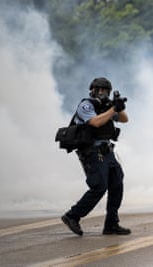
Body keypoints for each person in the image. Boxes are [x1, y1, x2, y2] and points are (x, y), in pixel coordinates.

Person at [61, 77, 131, 236]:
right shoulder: (86, 105)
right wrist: (113, 109)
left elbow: (124, 119)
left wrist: (118, 106)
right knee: (99, 186)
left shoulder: (106, 106)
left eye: (105, 90)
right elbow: (95, 122)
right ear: (92, 90)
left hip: (107, 151)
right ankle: (72, 216)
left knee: (117, 184)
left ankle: (111, 224)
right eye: (99, 90)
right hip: (91, 152)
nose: (102, 93)